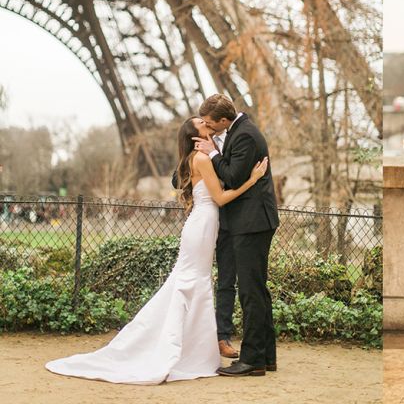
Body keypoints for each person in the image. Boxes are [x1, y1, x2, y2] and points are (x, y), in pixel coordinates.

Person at [45, 117, 268, 384]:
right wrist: (252, 179)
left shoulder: (199, 157)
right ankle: (183, 349)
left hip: (203, 225)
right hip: (203, 225)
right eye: (201, 122)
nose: (206, 123)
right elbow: (220, 197)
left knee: (193, 283)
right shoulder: (201, 159)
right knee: (191, 282)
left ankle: (189, 348)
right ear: (195, 134)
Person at [193, 94, 279, 377]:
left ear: (223, 120)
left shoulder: (245, 136)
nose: (207, 127)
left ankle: (253, 360)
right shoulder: (240, 131)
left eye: (209, 123)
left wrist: (214, 153)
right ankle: (265, 356)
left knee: (251, 291)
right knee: (257, 290)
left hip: (251, 222)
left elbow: (232, 176)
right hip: (252, 221)